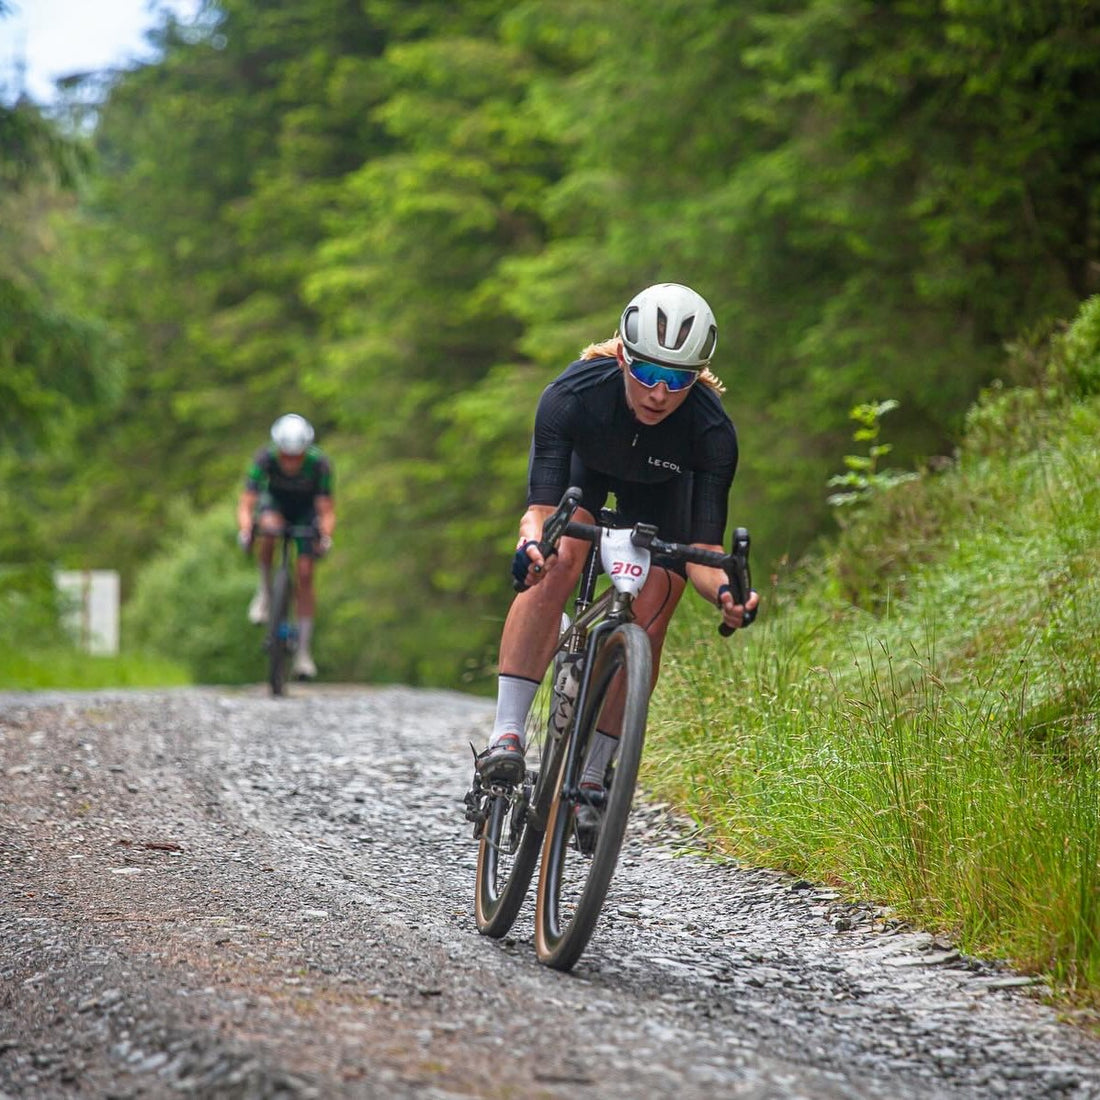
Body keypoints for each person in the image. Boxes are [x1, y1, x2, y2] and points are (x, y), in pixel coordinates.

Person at [475, 282, 759, 832]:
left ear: (697, 375)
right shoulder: (573, 394)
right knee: (561, 553)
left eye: (678, 379)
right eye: (647, 372)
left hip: (660, 492)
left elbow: (703, 552)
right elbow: (540, 511)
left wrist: (727, 592)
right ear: (623, 356)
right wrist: (532, 543)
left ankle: (594, 775)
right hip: (585, 473)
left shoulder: (711, 430)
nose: (659, 392)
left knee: (659, 600)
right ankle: (505, 735)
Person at [236, 413, 335, 680]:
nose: (291, 463)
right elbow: (247, 502)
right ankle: (265, 593)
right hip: (275, 506)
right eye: (286, 456)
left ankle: (303, 652)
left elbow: (326, 509)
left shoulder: (320, 463)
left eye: (296, 456)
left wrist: (325, 536)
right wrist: (246, 530)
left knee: (305, 573)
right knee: (268, 531)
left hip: (306, 512)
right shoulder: (264, 458)